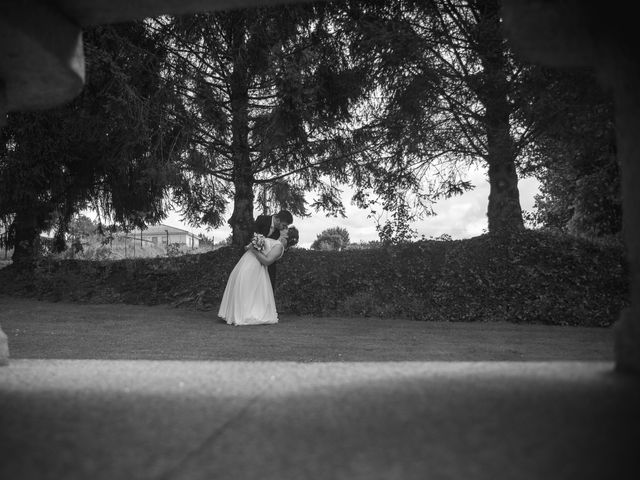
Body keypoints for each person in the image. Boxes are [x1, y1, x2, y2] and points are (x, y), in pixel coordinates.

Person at [218, 226, 299, 326]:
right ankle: (235, 314)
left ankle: (243, 315)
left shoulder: (279, 247)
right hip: (247, 262)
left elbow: (267, 261)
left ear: (287, 235)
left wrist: (254, 250)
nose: (284, 228)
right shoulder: (276, 242)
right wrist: (251, 245)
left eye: (287, 229)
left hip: (254, 267)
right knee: (241, 287)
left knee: (245, 289)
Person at [253, 210, 293, 287]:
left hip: (268, 265)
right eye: (284, 225)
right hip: (253, 258)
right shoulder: (261, 220)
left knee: (269, 287)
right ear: (278, 220)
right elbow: (253, 236)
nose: (284, 228)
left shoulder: (278, 233)